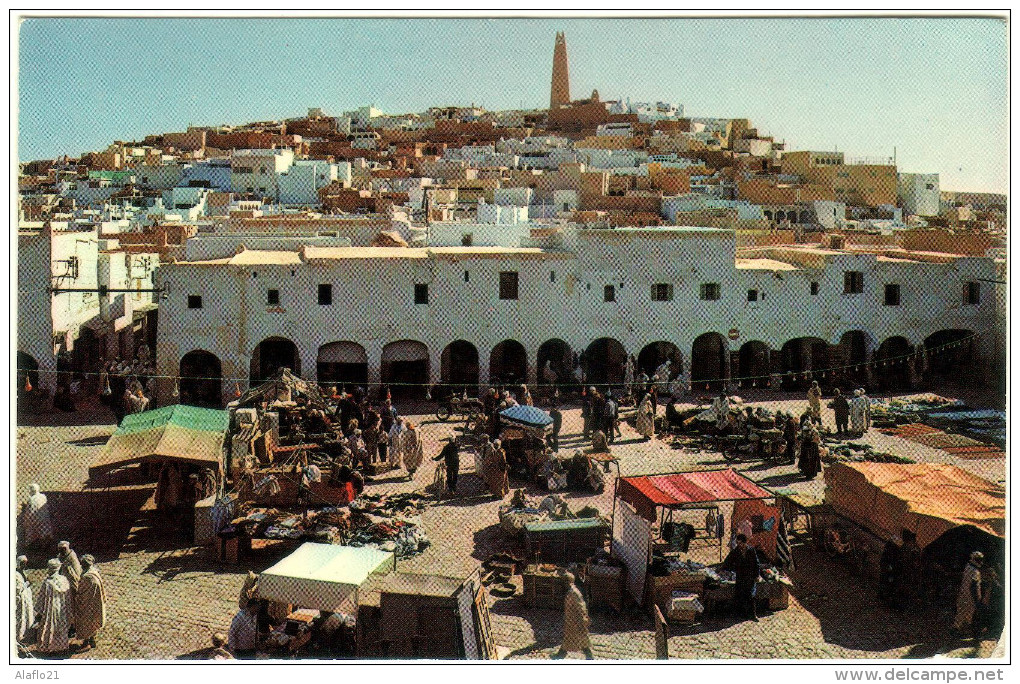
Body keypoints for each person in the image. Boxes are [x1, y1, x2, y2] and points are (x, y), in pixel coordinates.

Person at [551, 572, 594, 660]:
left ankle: (561, 655)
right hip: (572, 620)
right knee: (572, 638)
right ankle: (561, 655)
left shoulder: (573, 593)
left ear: (567, 582)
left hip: (576, 620)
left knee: (580, 639)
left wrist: (583, 618)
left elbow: (581, 606)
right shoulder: (570, 591)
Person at [722, 534, 761, 622]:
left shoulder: (751, 550)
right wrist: (726, 569)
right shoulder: (735, 551)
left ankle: (753, 615)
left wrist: (757, 575)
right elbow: (727, 562)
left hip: (750, 576)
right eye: (738, 543)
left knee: (751, 596)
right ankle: (741, 615)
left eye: (740, 543)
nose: (739, 545)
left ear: (745, 543)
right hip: (741, 576)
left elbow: (756, 564)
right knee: (740, 595)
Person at [36, 559, 71, 654]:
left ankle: (50, 646)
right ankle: (61, 646)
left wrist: (39, 611)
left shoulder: (47, 583)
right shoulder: (64, 580)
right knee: (60, 625)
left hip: (50, 608)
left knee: (49, 626)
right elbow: (68, 595)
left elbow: (42, 598)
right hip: (61, 607)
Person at [75, 554, 106, 650]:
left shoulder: (87, 577)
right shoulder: (94, 572)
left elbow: (81, 591)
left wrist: (77, 597)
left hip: (88, 603)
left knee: (86, 622)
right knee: (92, 622)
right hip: (95, 602)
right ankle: (92, 640)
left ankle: (86, 643)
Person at [953, 551, 983, 639]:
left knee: (961, 615)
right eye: (979, 559)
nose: (980, 561)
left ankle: (958, 632)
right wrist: (977, 599)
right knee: (970, 615)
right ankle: (973, 634)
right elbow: (973, 586)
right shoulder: (974, 570)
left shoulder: (968, 567)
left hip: (964, 594)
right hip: (970, 597)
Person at [21, 483, 54, 548]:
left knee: (31, 530)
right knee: (44, 532)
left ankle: (33, 547)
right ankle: (45, 546)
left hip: (35, 519)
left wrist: (27, 520)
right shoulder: (43, 496)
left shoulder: (31, 499)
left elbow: (30, 511)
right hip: (44, 518)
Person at [15, 556, 35, 644]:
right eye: (23, 563)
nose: (24, 565)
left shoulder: (23, 573)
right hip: (21, 599)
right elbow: (17, 588)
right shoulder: (15, 574)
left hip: (27, 597)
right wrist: (28, 583)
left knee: (29, 616)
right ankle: (19, 637)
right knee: (21, 617)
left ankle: (28, 636)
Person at [878, 541, 902, 609]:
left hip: (889, 572)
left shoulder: (888, 554)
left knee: (888, 583)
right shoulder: (893, 554)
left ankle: (885, 597)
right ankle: (886, 597)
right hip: (889, 572)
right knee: (889, 583)